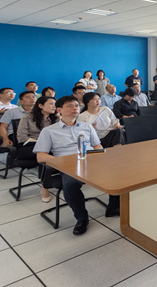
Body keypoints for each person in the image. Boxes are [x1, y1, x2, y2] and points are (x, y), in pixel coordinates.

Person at [34, 95, 120, 236]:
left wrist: (102, 158)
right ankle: (82, 218)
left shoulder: (87, 126)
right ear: (59, 110)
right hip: (68, 166)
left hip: (92, 161)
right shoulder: (49, 131)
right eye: (70, 106)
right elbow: (41, 156)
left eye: (76, 105)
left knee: (119, 173)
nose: (75, 108)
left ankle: (113, 208)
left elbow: (97, 146)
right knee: (71, 186)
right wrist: (62, 162)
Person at [15, 96, 59, 202]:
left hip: (49, 148)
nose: (54, 106)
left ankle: (53, 182)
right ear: (40, 105)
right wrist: (42, 142)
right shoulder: (27, 118)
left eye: (55, 104)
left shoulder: (56, 119)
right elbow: (21, 137)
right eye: (51, 104)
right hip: (28, 148)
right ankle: (45, 187)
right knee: (48, 155)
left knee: (53, 153)